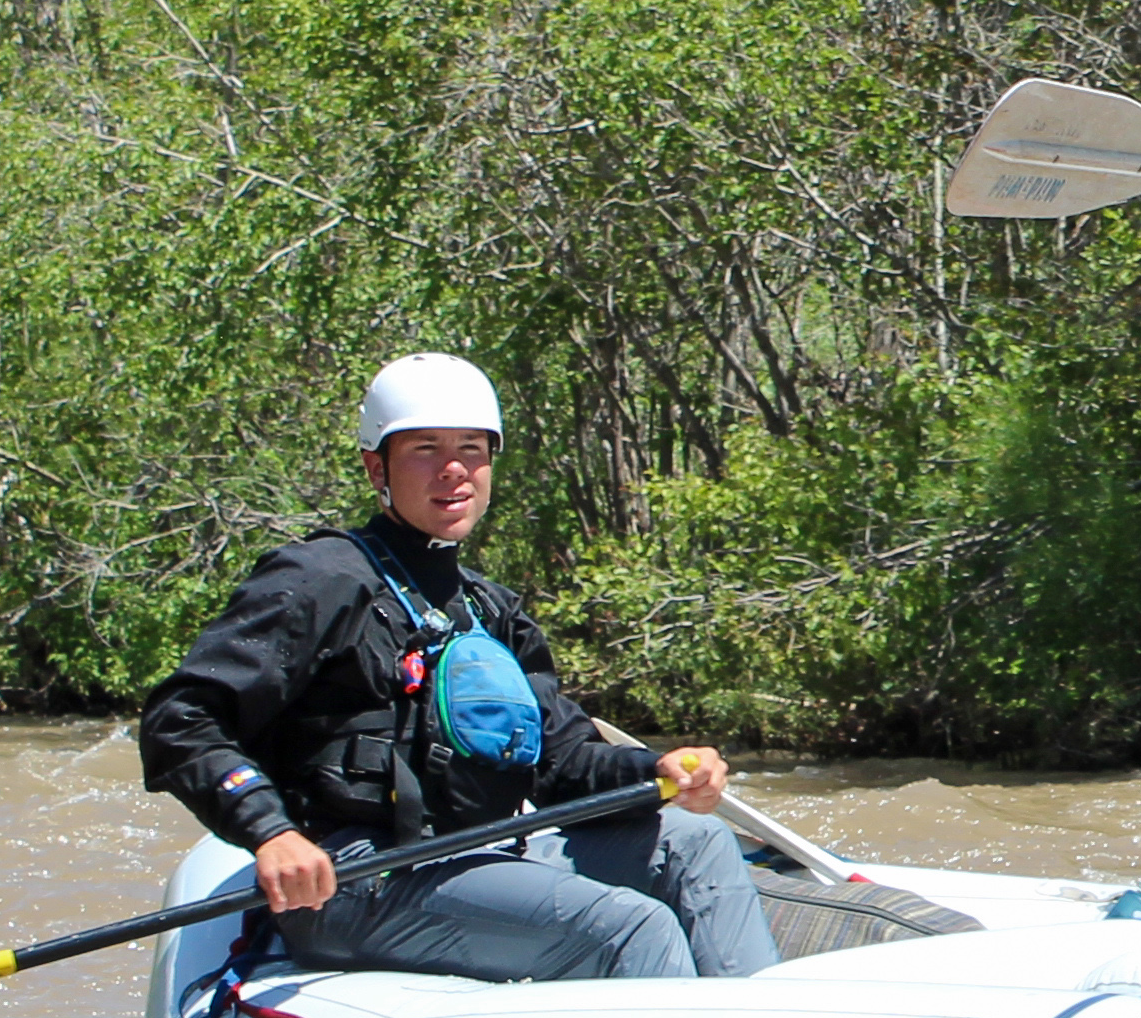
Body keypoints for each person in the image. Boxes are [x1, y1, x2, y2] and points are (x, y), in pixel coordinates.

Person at [135, 353, 775, 984]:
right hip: (354, 879)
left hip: (480, 856)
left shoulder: (489, 607)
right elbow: (180, 718)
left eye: (471, 448)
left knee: (696, 843)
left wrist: (656, 768)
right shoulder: (318, 580)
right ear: (375, 467)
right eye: (424, 450)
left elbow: (563, 765)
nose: (453, 470)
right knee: (633, 925)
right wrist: (269, 831)